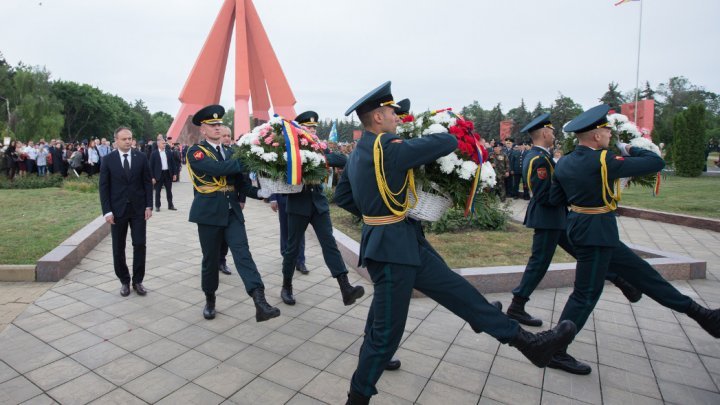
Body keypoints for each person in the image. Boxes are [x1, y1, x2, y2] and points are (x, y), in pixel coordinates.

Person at [335, 82, 576, 404]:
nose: (396, 117)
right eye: (392, 112)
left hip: (400, 241)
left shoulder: (359, 153)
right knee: (384, 334)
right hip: (393, 252)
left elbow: (344, 197)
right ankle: (358, 397)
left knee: (460, 294)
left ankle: (527, 343)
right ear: (378, 117)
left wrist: (380, 214)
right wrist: (444, 124)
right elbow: (446, 140)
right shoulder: (388, 149)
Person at [548, 104, 720, 375]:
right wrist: (630, 148)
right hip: (596, 234)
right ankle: (554, 349)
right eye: (606, 131)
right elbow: (656, 162)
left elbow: (554, 199)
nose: (608, 135)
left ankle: (703, 315)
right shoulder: (603, 160)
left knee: (644, 275)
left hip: (586, 229)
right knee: (585, 294)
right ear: (595, 136)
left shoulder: (565, 161)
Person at [506, 113, 641, 328]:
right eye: (551, 131)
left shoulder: (541, 156)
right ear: (544, 133)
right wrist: (572, 192)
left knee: (581, 254)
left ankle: (621, 281)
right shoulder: (538, 158)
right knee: (539, 263)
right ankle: (516, 306)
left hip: (557, 218)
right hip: (548, 219)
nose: (553, 134)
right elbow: (543, 196)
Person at [186, 104, 279, 322]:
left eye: (219, 124)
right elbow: (219, 170)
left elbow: (243, 186)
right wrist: (249, 157)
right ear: (203, 129)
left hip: (232, 213)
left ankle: (260, 301)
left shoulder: (230, 152)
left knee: (243, 255)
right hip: (208, 214)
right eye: (213, 125)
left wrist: (263, 193)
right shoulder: (196, 152)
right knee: (210, 260)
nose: (217, 128)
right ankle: (210, 299)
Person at [278, 110, 365, 307]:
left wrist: (319, 155)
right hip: (298, 204)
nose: (312, 130)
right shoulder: (290, 150)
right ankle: (287, 286)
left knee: (329, 245)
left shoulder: (317, 147)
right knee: (292, 249)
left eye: (314, 128)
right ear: (299, 129)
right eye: (308, 127)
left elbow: (341, 160)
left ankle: (345, 288)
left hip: (318, 204)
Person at [99, 127, 154, 297]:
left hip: (138, 209)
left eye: (130, 138)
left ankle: (138, 281)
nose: (128, 141)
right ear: (115, 140)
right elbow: (104, 187)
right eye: (124, 139)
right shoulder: (108, 159)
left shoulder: (141, 157)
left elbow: (147, 183)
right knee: (118, 247)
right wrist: (107, 211)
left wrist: (148, 206)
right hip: (117, 211)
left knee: (139, 244)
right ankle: (124, 280)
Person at [149, 137, 177, 212]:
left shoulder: (168, 152)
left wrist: (174, 174)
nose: (164, 144)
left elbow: (173, 163)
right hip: (158, 174)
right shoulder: (154, 153)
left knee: (169, 191)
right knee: (158, 191)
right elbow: (150, 166)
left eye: (165, 143)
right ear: (158, 144)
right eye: (162, 143)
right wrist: (152, 177)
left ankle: (170, 205)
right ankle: (157, 206)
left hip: (168, 173)